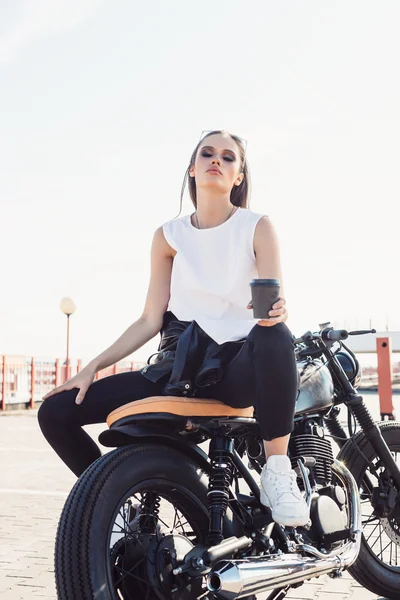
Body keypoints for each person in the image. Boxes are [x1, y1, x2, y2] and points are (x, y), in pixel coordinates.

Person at [38, 130, 309, 527]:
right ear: (192, 168)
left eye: (228, 157)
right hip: (176, 369)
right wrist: (92, 367)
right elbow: (151, 317)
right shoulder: (168, 236)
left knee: (275, 333)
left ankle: (277, 472)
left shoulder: (257, 227)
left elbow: (271, 306)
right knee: (55, 412)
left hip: (236, 368)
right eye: (207, 153)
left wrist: (278, 311)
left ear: (239, 176)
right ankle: (113, 507)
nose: (217, 160)